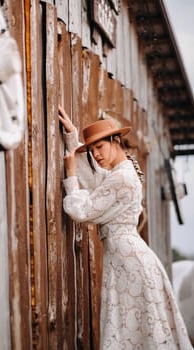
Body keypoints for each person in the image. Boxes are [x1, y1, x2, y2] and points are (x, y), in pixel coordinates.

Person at [58, 105, 193, 350]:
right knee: (132, 330)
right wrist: (72, 137)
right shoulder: (120, 171)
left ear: (115, 140)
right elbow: (96, 176)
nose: (96, 154)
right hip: (124, 258)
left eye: (99, 147)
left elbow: (83, 211)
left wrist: (70, 173)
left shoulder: (121, 178)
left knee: (134, 330)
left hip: (129, 262)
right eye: (91, 149)